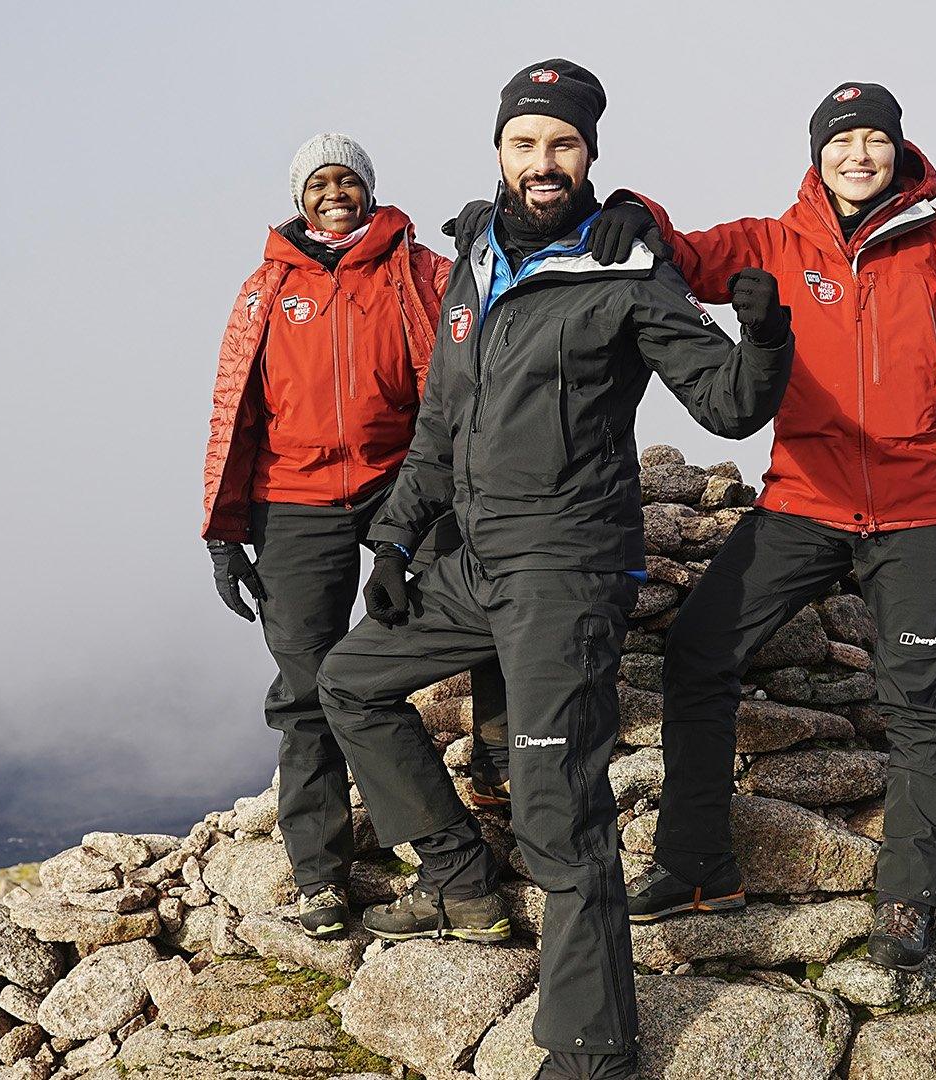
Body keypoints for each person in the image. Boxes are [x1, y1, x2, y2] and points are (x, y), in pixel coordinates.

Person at [316, 59, 793, 1080]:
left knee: (556, 806)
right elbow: (442, 418)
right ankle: (458, 880)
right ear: (500, 151)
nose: (544, 162)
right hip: (471, 557)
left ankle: (593, 1049)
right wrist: (399, 539)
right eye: (527, 143)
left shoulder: (625, 268)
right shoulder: (473, 254)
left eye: (564, 145)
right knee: (348, 682)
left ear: (590, 157)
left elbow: (725, 405)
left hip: (565, 568)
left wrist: (764, 334)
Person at [593, 81, 936, 973]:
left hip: (919, 512)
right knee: (700, 650)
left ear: (898, 151)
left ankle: (904, 903)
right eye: (842, 141)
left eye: (875, 141)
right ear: (817, 154)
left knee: (919, 704)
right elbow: (686, 252)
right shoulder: (776, 243)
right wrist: (631, 208)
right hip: (803, 503)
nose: (859, 155)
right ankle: (698, 864)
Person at [200, 133, 507, 940]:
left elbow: (486, 332)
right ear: (300, 197)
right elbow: (235, 411)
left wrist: (491, 239)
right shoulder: (267, 287)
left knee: (480, 627)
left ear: (369, 189)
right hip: (291, 503)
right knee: (305, 690)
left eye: (348, 180)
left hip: (402, 488)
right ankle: (321, 877)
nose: (334, 193)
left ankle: (499, 789)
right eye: (318, 183)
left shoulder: (417, 271)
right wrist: (224, 532)